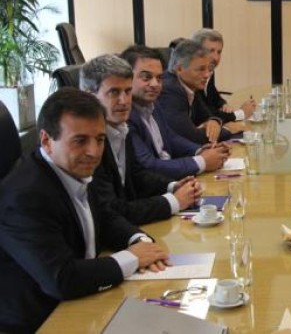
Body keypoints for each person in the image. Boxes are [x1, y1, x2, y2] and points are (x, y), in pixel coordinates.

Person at [0, 88, 170, 332]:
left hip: (86, 299)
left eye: (99, 139)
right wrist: (133, 257)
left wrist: (139, 241)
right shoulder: (23, 196)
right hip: (43, 320)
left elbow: (105, 216)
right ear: (46, 141)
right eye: (80, 141)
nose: (93, 152)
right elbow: (62, 279)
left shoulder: (71, 166)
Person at [81, 54, 203, 225]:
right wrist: (174, 201)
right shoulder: (88, 146)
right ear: (90, 96)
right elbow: (111, 210)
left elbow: (137, 175)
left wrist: (173, 186)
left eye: (127, 91)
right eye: (114, 92)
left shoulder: (121, 128)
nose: (124, 101)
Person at [122, 46, 230, 180]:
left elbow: (169, 136)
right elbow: (148, 165)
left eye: (159, 78)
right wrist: (202, 161)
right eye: (146, 77)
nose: (155, 84)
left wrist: (200, 150)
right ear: (125, 78)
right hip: (158, 183)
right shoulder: (125, 116)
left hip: (171, 178)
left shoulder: (152, 103)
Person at [157, 39, 232, 145]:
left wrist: (214, 121)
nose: (207, 75)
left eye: (208, 69)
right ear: (179, 69)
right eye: (201, 69)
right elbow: (193, 138)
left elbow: (207, 116)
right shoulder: (170, 90)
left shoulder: (190, 84)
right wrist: (228, 130)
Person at [192, 28, 256, 124]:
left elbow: (214, 97)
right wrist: (241, 113)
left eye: (219, 52)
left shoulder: (208, 70)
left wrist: (223, 104)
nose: (216, 57)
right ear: (196, 51)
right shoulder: (193, 77)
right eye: (211, 51)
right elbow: (207, 116)